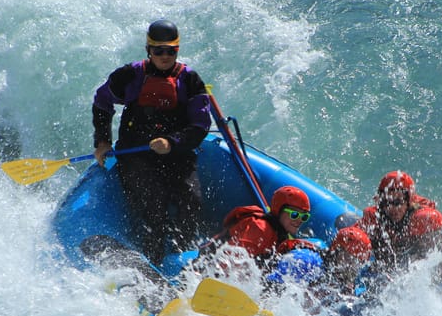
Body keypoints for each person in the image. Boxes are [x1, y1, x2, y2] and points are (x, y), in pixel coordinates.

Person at [91, 19, 211, 264]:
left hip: (178, 156)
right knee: (153, 205)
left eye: (171, 51)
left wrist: (172, 142)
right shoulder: (129, 75)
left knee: (191, 201)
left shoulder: (190, 80)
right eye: (159, 50)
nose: (165, 56)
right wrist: (102, 142)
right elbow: (102, 103)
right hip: (136, 156)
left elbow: (200, 126)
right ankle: (152, 261)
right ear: (149, 50)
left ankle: (182, 261)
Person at [213, 185, 317, 272]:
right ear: (279, 210)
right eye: (294, 214)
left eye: (304, 217)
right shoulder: (260, 228)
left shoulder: (280, 234)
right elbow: (230, 258)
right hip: (209, 264)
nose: (299, 220)